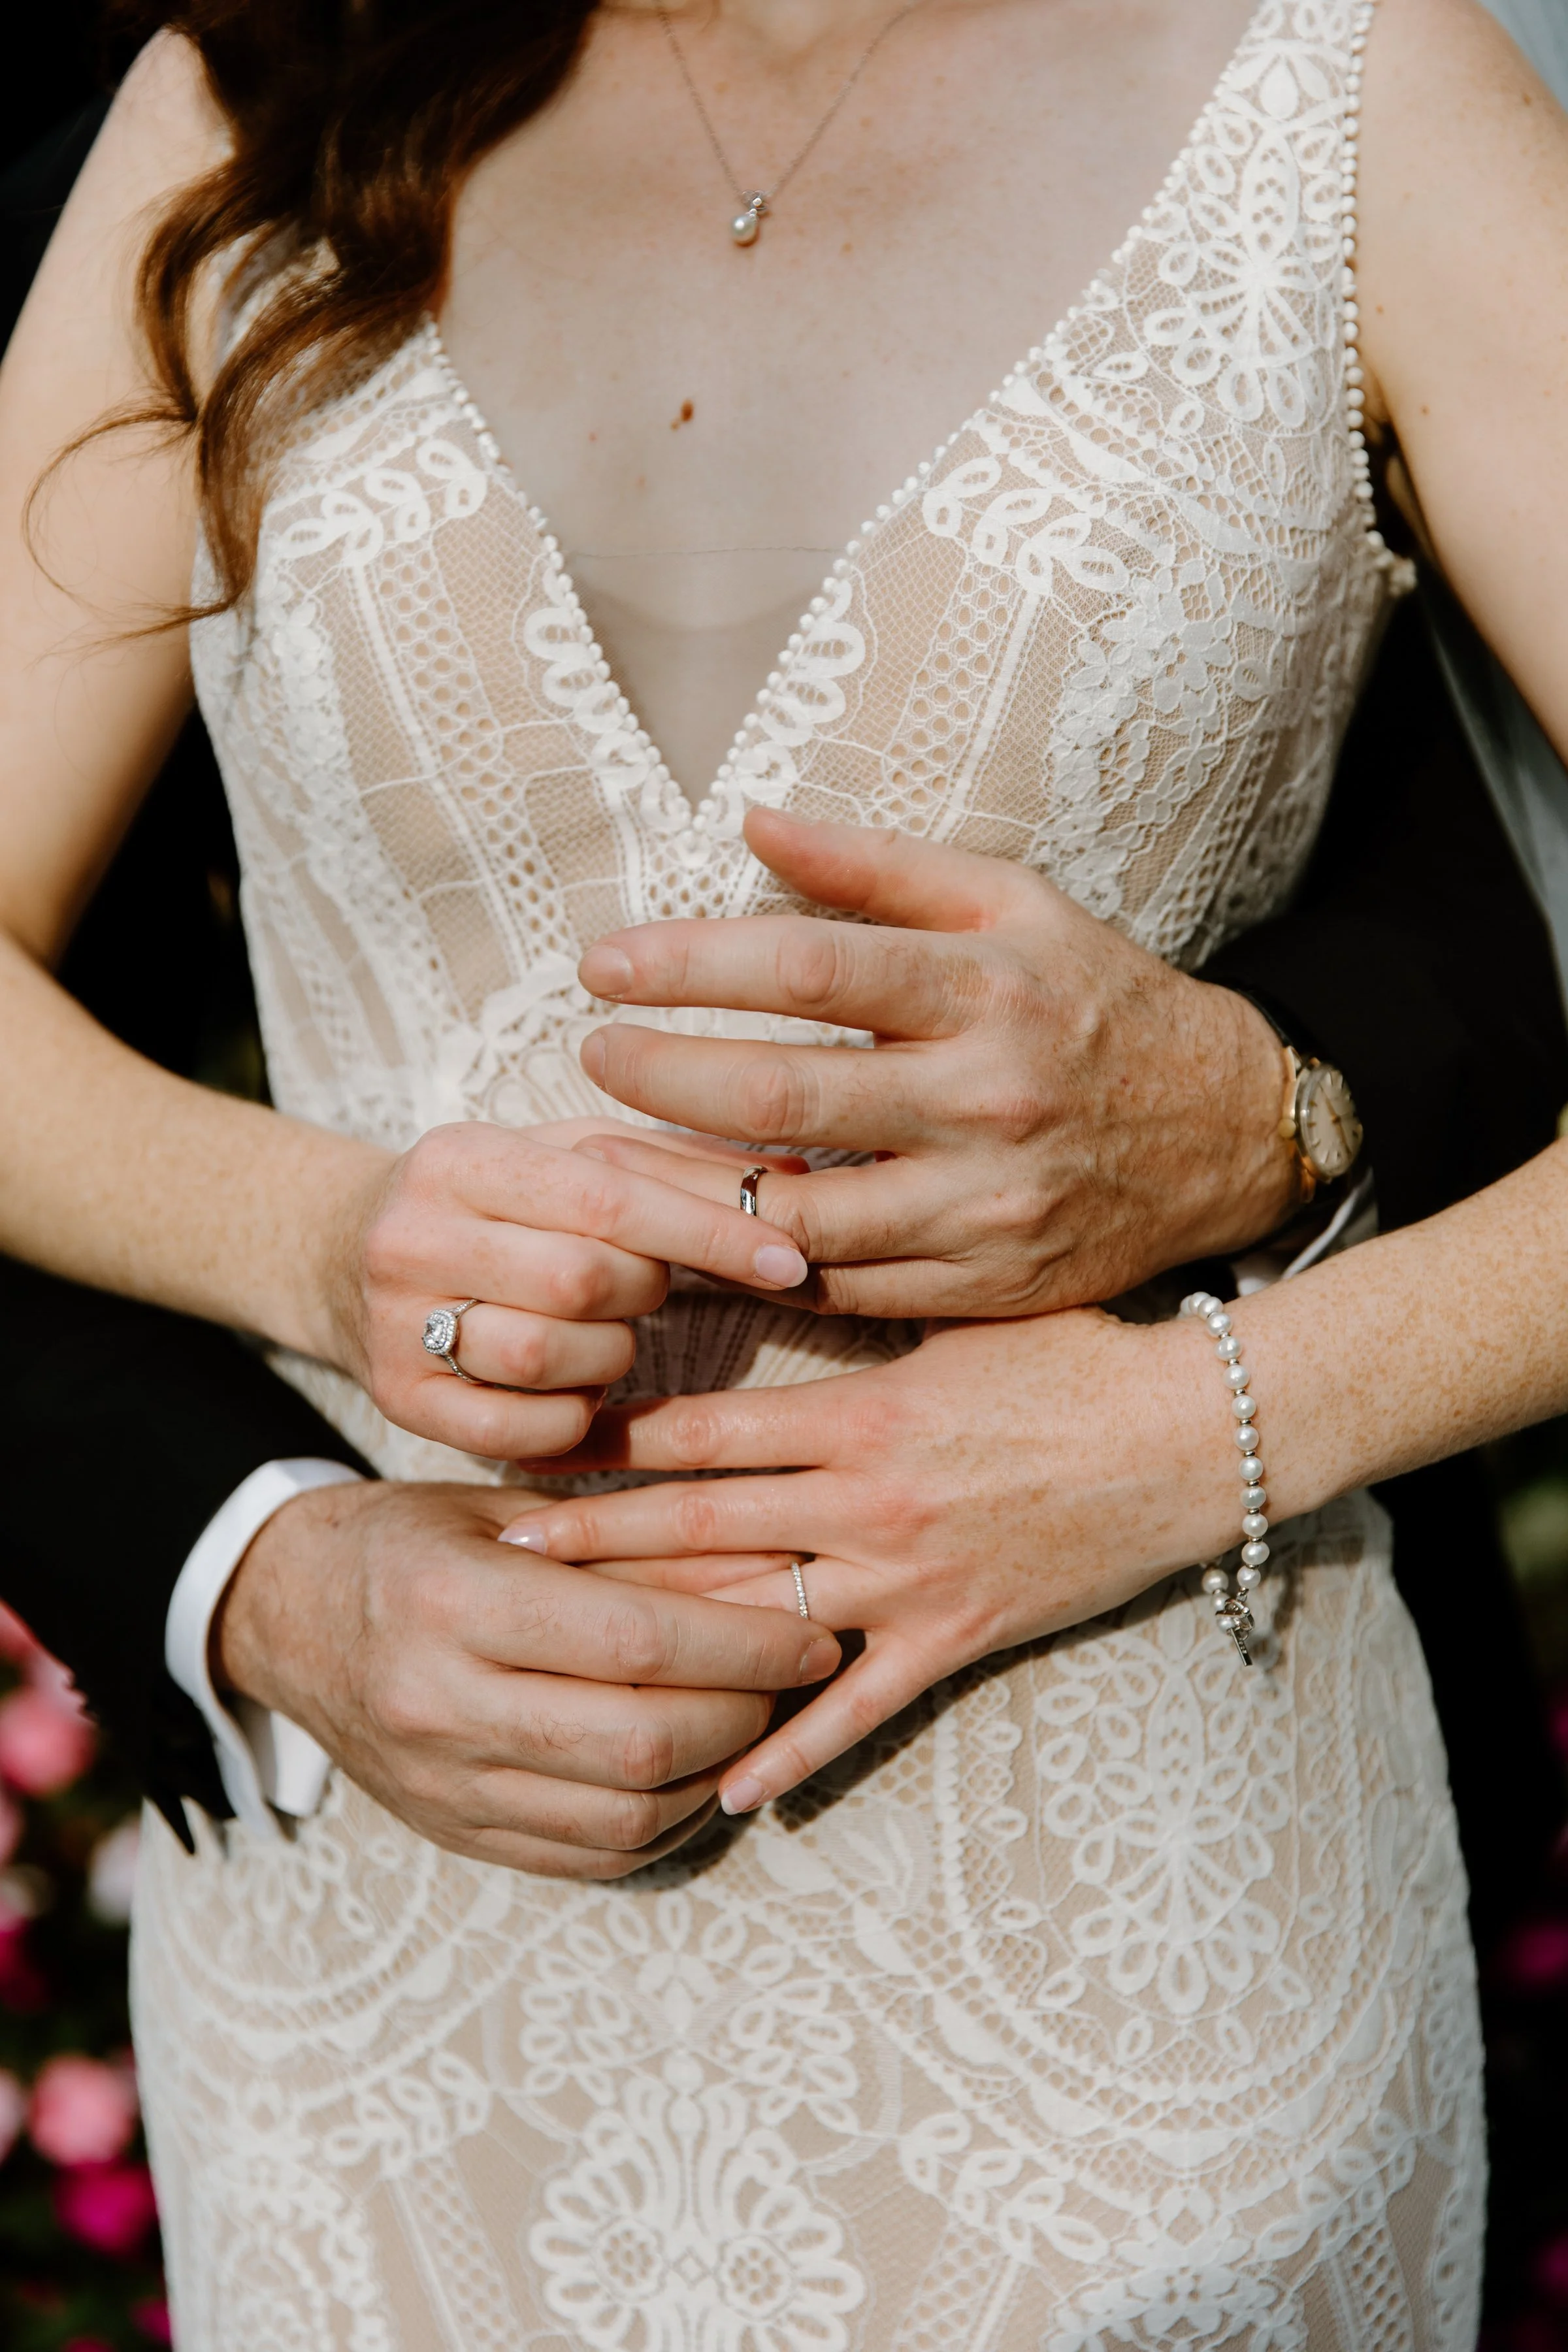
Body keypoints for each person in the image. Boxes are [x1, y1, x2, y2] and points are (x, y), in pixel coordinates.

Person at [3, 0, 1568, 2340]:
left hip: (1148, 2046)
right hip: (391, 2045)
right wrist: (321, 1250)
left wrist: (1192, 1429)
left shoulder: (1347, 95)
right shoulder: (254, 87)